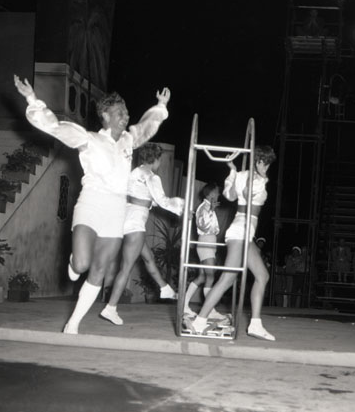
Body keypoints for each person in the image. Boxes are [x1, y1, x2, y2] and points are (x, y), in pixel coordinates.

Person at [14, 75, 170, 334]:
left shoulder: (129, 140)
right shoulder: (88, 139)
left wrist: (160, 107)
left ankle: (72, 324)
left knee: (99, 269)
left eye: (126, 112)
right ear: (106, 116)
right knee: (82, 265)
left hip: (116, 209)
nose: (125, 116)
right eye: (119, 113)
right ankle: (74, 262)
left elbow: (146, 127)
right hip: (91, 203)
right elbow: (54, 126)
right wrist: (32, 98)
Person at [185, 145, 277, 341]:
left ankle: (255, 324)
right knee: (227, 278)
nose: (266, 167)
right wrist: (258, 177)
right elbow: (244, 194)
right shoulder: (254, 179)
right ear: (259, 161)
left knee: (262, 275)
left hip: (245, 233)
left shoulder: (242, 175)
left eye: (268, 164)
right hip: (240, 231)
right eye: (265, 163)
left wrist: (233, 171)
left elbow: (230, 195)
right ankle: (200, 320)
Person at [100, 143, 184, 325]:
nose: (160, 163)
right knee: (126, 268)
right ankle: (110, 308)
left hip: (125, 218)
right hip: (135, 223)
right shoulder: (151, 177)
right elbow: (163, 201)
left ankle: (164, 288)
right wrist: (183, 207)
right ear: (155, 159)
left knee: (148, 257)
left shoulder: (135, 172)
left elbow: (138, 196)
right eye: (160, 159)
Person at [182, 182, 227, 320]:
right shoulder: (203, 207)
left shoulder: (207, 207)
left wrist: (212, 210)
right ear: (211, 193)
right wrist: (211, 210)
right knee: (210, 276)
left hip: (209, 243)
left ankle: (184, 305)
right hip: (206, 242)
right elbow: (204, 226)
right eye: (217, 191)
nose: (218, 194)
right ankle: (210, 310)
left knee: (202, 277)